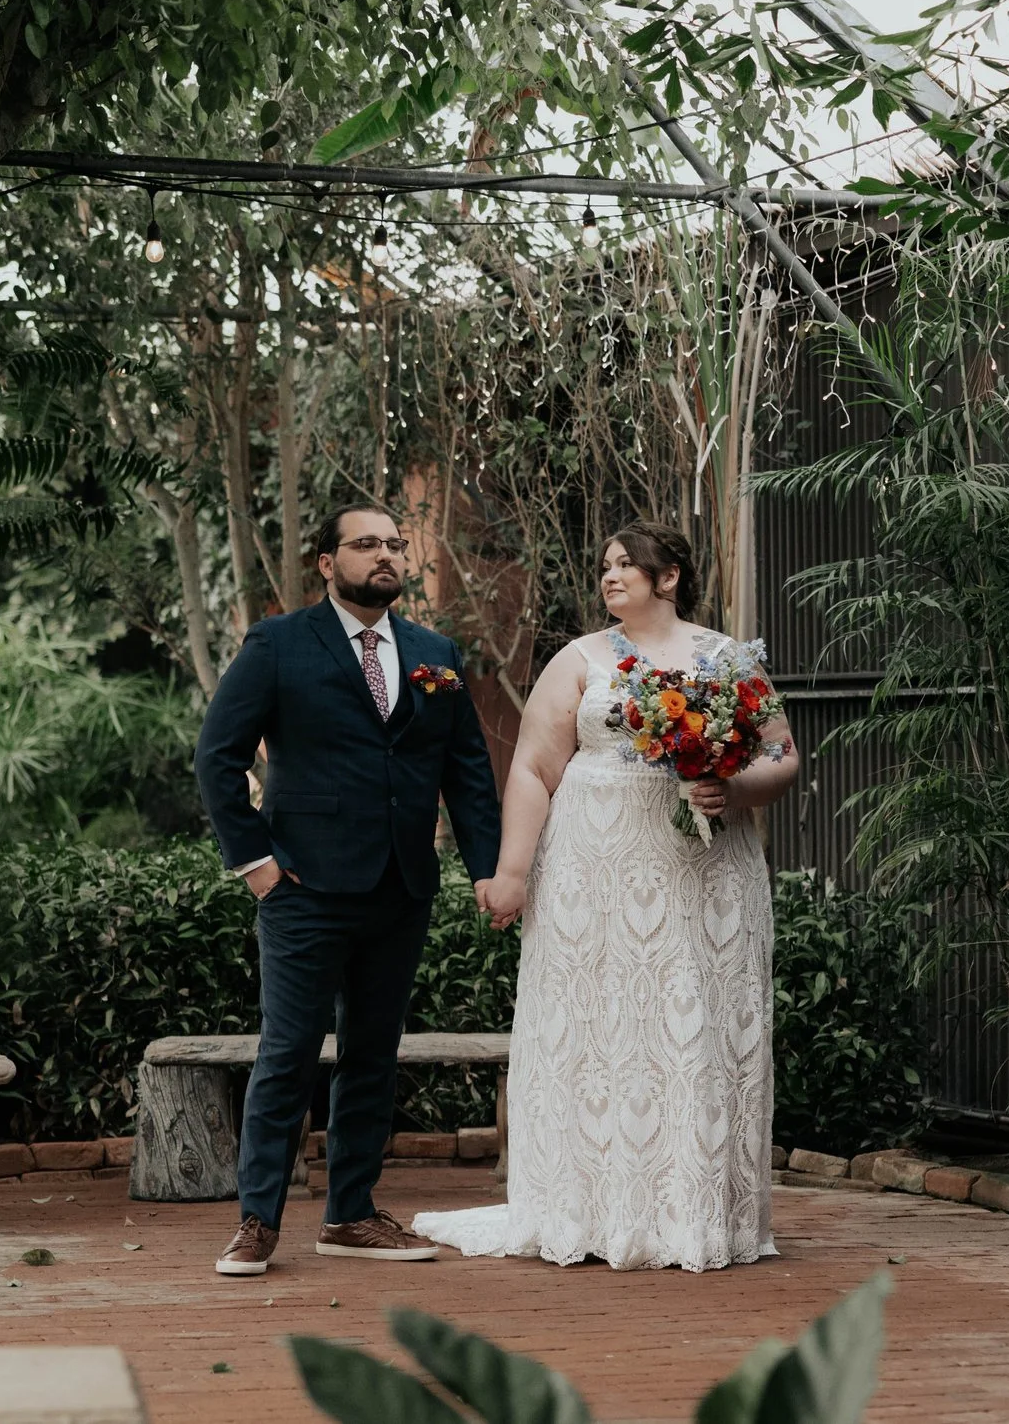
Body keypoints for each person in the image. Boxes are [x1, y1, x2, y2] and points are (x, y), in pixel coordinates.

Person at [412, 522, 800, 1271]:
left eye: (627, 564)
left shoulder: (728, 659)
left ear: (670, 577)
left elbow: (781, 755)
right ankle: (586, 1208)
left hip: (704, 875)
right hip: (592, 873)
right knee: (598, 1026)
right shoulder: (580, 658)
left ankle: (689, 1214)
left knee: (692, 1026)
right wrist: (513, 872)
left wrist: (732, 788)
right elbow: (533, 767)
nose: (610, 576)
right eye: (605, 565)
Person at [194, 504, 501, 1276]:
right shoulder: (278, 643)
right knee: (288, 1052)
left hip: (402, 885)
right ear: (328, 563)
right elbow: (217, 755)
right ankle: (257, 1220)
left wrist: (489, 868)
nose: (386, 554)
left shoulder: (435, 652)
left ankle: (351, 1214)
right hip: (303, 886)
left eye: (394, 543)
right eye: (367, 544)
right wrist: (255, 862)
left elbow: (467, 771)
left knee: (372, 1054)